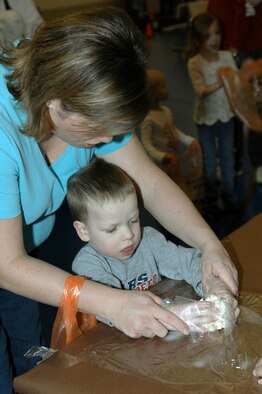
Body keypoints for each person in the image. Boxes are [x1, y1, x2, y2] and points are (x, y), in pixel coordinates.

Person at [0, 7, 238, 393]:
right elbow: (6, 263)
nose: (110, 139)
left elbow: (152, 185)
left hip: (22, 262)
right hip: (9, 260)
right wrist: (112, 303)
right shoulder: (2, 133)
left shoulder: (89, 98)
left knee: (28, 365)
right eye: (99, 129)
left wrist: (209, 246)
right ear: (55, 100)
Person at [186, 12, 239, 214]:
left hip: (226, 116)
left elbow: (236, 83)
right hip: (206, 118)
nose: (215, 39)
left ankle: (228, 194)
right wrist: (222, 80)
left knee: (227, 157)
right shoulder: (195, 63)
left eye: (217, 33)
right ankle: (210, 197)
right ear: (199, 40)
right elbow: (201, 90)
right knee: (209, 160)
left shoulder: (226, 57)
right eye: (208, 36)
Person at [207, 0, 262, 182]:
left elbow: (244, 10)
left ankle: (253, 162)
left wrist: (234, 48)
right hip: (231, 45)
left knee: (251, 108)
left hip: (243, 47)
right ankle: (234, 161)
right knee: (234, 108)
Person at [141, 68, 204, 204]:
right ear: (152, 94)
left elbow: (173, 131)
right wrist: (161, 156)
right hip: (160, 163)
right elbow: (146, 144)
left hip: (172, 159)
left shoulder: (166, 111)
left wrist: (190, 140)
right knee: (162, 191)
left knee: (174, 186)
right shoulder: (148, 119)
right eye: (163, 86)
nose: (167, 88)